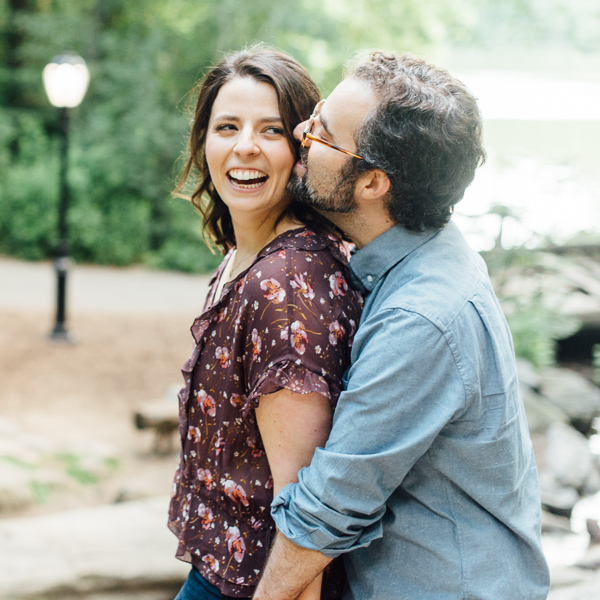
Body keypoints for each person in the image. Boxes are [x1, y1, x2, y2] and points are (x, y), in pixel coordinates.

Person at [253, 51, 551, 600]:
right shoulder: (430, 252)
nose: (300, 130)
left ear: (371, 184)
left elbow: (331, 507)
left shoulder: (421, 318)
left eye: (322, 131)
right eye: (316, 112)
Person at [168, 46, 362, 600]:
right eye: (226, 126)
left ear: (302, 148)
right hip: (218, 571)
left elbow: (305, 516)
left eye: (271, 130)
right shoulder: (245, 254)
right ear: (203, 140)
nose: (244, 146)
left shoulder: (285, 287)